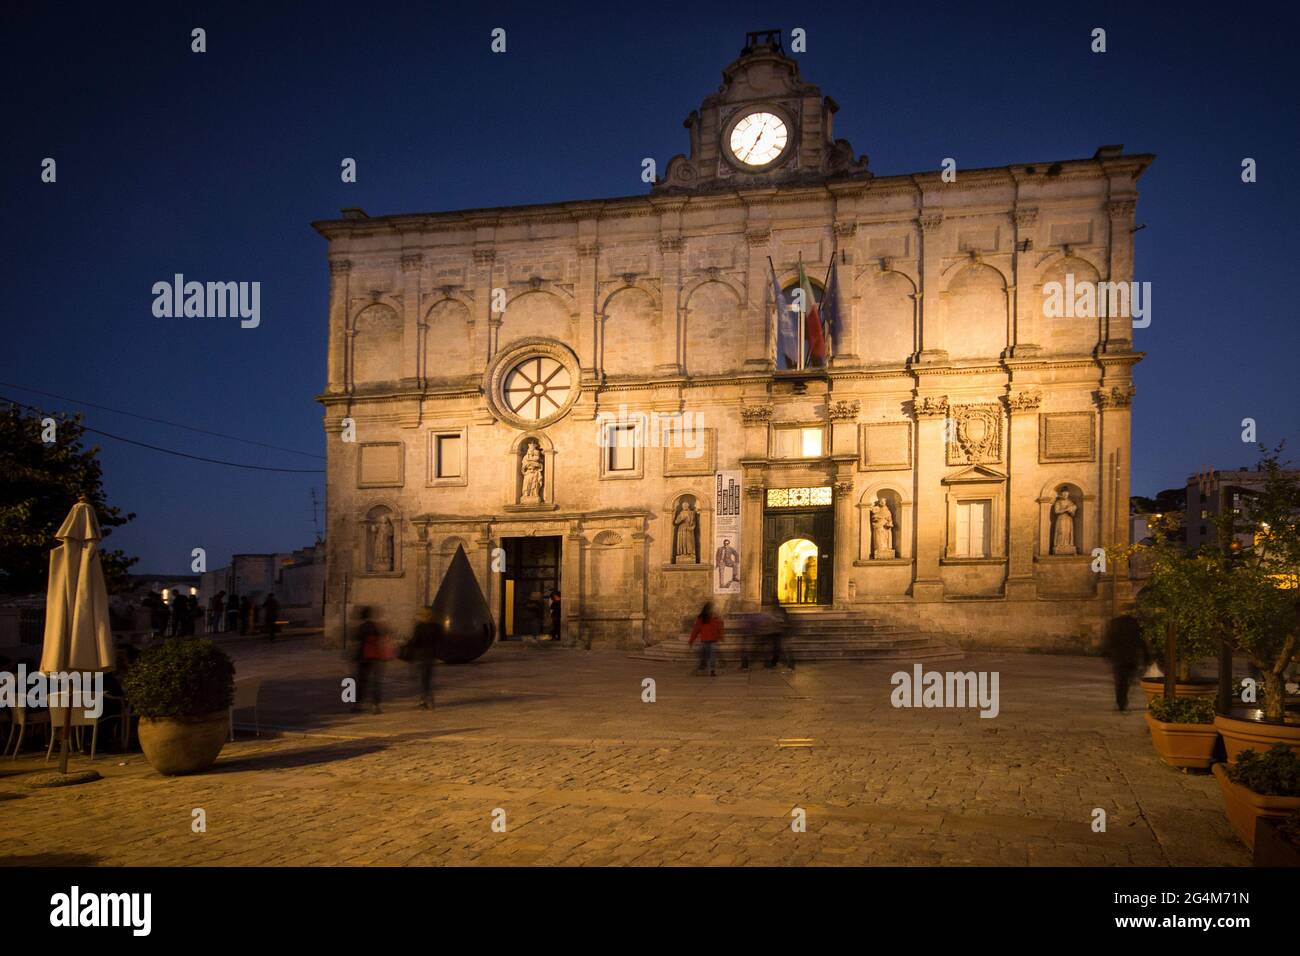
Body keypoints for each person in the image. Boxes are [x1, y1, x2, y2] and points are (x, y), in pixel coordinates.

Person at [1100, 613, 1148, 712]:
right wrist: (1146, 657)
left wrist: (1105, 652)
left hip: (1118, 658)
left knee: (1119, 681)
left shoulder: (1115, 624)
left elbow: (1109, 639)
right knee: (1127, 681)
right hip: (1131, 657)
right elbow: (1142, 642)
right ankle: (1123, 700)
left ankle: (1120, 701)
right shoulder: (1135, 624)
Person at [409, 607, 438, 709]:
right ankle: (430, 700)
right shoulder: (436, 627)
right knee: (429, 679)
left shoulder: (420, 627)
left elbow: (415, 641)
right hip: (431, 656)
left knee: (423, 679)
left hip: (421, 656)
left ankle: (423, 700)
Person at [689, 601, 724, 677]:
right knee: (704, 655)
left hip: (711, 640)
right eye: (712, 608)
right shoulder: (702, 618)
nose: (713, 609)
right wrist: (692, 639)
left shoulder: (714, 617)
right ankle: (704, 668)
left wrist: (721, 636)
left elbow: (719, 627)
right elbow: (696, 629)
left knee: (711, 656)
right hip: (705, 640)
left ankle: (711, 670)